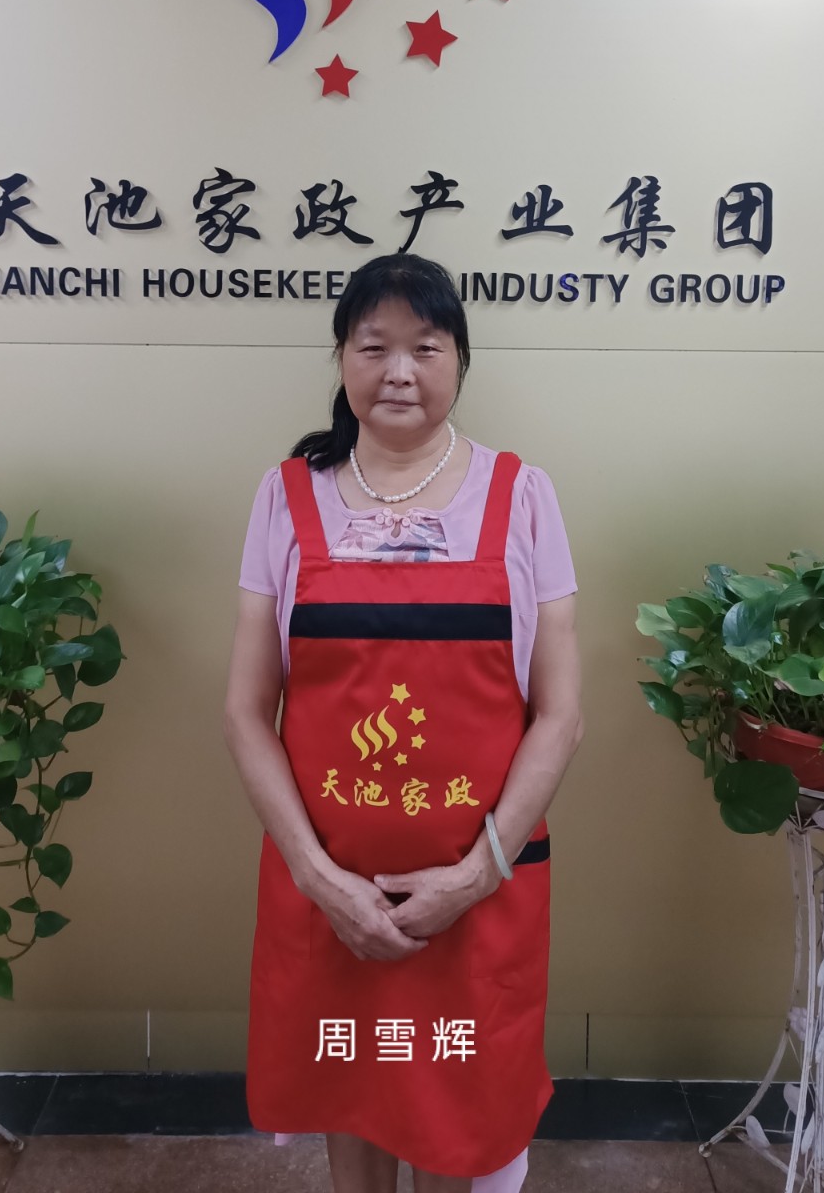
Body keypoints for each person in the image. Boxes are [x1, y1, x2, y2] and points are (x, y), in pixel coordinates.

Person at [223, 252, 584, 1193]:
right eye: (372, 345)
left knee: (461, 1116)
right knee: (353, 1090)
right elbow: (246, 711)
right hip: (331, 900)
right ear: (341, 358)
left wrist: (475, 874)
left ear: (460, 360)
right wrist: (319, 878)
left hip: (478, 899)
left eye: (426, 347)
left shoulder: (522, 497)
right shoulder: (287, 495)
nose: (399, 371)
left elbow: (561, 716)